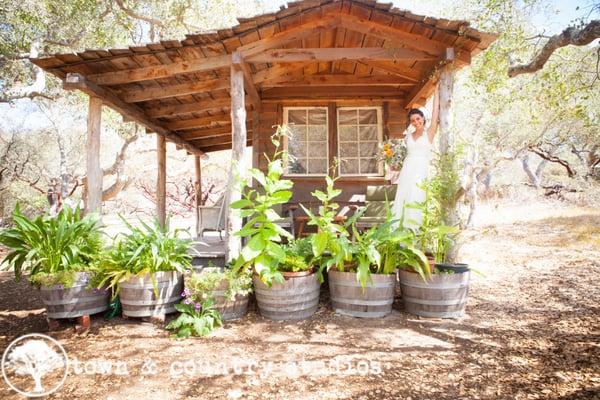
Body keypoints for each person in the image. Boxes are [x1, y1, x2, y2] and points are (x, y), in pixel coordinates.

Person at [391, 87, 440, 228]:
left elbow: (435, 114)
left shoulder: (429, 133)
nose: (416, 122)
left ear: (423, 118)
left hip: (421, 169)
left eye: (418, 118)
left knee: (417, 196)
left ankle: (416, 230)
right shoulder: (407, 137)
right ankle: (401, 231)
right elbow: (397, 152)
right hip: (408, 169)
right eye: (413, 120)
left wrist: (436, 90)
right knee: (405, 196)